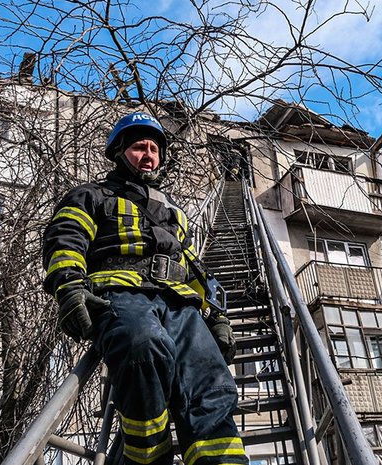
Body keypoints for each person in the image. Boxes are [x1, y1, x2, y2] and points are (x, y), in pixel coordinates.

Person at [42, 112, 246, 465]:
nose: (148, 154)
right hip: (120, 296)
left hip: (180, 305)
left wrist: (216, 316)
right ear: (119, 151)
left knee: (212, 383)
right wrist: (69, 287)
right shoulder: (90, 196)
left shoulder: (174, 213)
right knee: (142, 347)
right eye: (139, 147)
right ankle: (147, 459)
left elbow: (194, 267)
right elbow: (65, 240)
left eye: (154, 148)